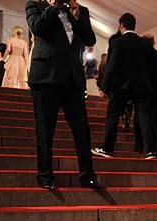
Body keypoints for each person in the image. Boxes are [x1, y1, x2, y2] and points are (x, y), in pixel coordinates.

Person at [25, 0, 101, 190]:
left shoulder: (80, 9)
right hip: (45, 76)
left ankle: (87, 175)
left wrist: (76, 17)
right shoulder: (35, 4)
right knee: (45, 130)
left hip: (72, 78)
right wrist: (54, 7)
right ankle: (45, 175)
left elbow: (90, 39)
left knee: (82, 130)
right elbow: (38, 28)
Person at [92, 13, 157, 160]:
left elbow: (112, 66)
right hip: (141, 86)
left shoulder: (118, 42)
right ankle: (150, 150)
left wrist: (104, 87)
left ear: (121, 25)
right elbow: (152, 68)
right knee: (144, 116)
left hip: (121, 86)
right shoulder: (145, 44)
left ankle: (108, 148)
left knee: (113, 115)